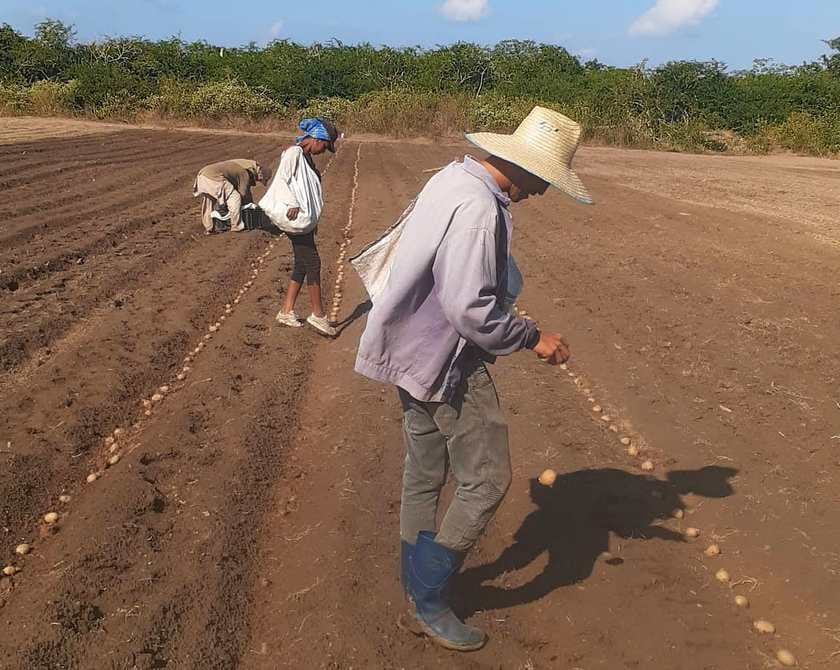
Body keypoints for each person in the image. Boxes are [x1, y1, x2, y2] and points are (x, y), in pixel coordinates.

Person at [354, 106, 593, 651]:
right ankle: (431, 600)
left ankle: (416, 591)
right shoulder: (481, 208)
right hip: (446, 359)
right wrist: (533, 337)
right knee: (487, 479)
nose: (544, 193)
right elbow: (468, 308)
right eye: (547, 181)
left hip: (407, 347)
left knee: (424, 472)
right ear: (526, 167)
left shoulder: (452, 175)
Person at [269, 118, 340, 337]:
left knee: (302, 263)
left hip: (302, 221)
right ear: (318, 138)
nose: (323, 151)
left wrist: (312, 222)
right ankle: (318, 315)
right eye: (325, 146)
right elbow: (281, 179)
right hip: (294, 218)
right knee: (313, 262)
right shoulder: (294, 153)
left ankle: (286, 311)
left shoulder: (306, 157)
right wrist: (292, 203)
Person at [193, 159, 269, 235]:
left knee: (209, 201)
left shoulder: (242, 164)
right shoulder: (244, 173)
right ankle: (236, 226)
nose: (257, 181)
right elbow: (243, 193)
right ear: (260, 174)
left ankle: (209, 228)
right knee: (235, 197)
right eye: (260, 179)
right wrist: (251, 207)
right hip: (214, 177)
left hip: (202, 175)